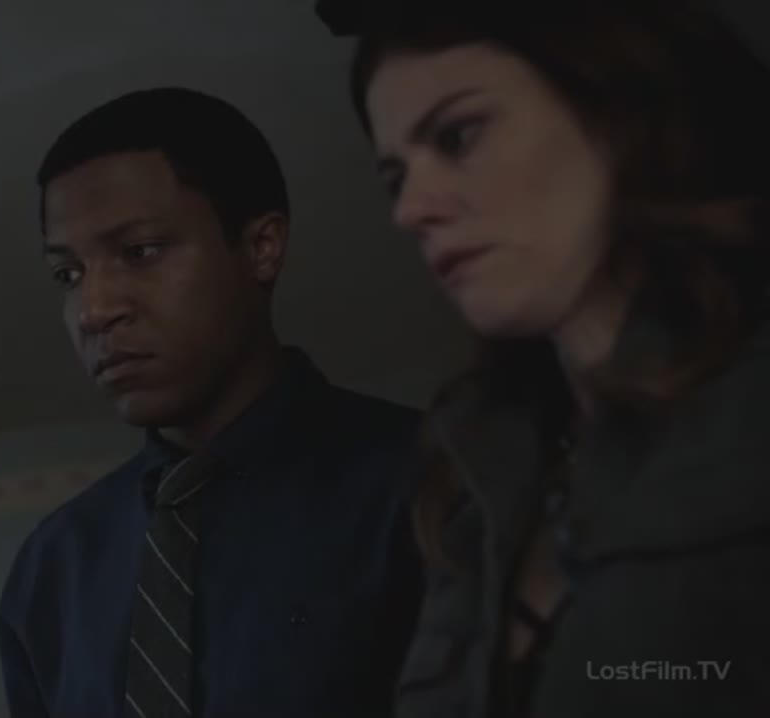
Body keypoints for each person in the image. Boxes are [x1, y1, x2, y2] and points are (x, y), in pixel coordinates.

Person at [315, 0, 770, 715]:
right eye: (396, 176)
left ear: (619, 112)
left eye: (458, 136)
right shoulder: (474, 467)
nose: (410, 210)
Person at [0, 87, 424, 717]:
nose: (93, 310)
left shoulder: (434, 484)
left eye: (140, 252)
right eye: (69, 274)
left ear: (261, 247)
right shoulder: (50, 569)